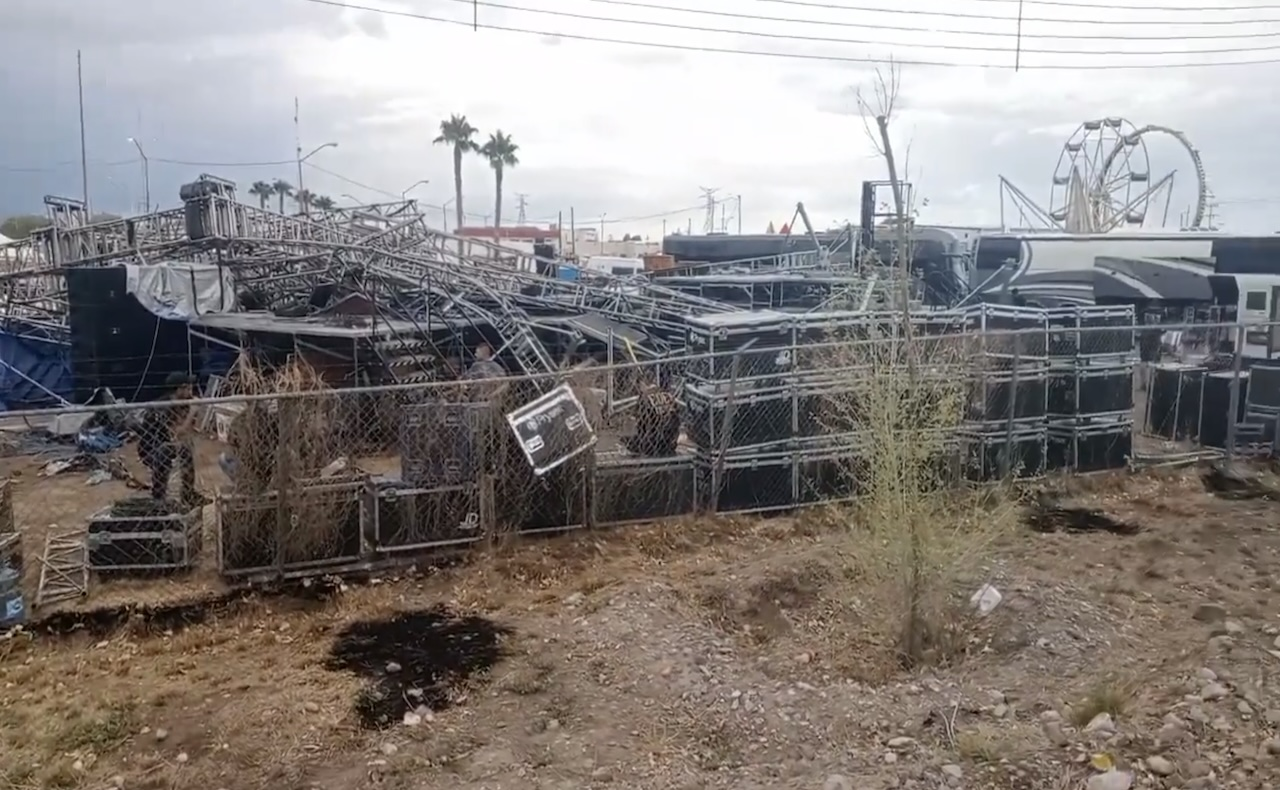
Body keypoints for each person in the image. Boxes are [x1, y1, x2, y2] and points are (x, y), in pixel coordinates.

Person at [137, 372, 200, 506]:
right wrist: (192, 412)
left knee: (185, 449)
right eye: (188, 388)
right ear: (179, 389)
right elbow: (177, 433)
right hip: (151, 448)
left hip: (166, 443)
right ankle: (158, 497)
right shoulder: (164, 407)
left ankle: (188, 494)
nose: (191, 391)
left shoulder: (178, 402)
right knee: (165, 451)